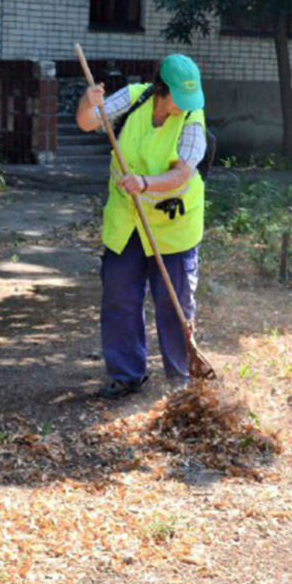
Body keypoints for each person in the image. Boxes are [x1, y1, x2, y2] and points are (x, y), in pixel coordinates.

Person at [75, 54, 208, 399]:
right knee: (119, 295)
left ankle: (180, 381)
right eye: (181, 97)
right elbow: (89, 122)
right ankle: (127, 374)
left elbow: (182, 174)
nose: (187, 105)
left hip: (172, 225)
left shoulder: (193, 119)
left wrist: (146, 183)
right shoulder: (136, 96)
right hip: (127, 221)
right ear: (162, 89)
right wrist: (88, 102)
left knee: (173, 302)